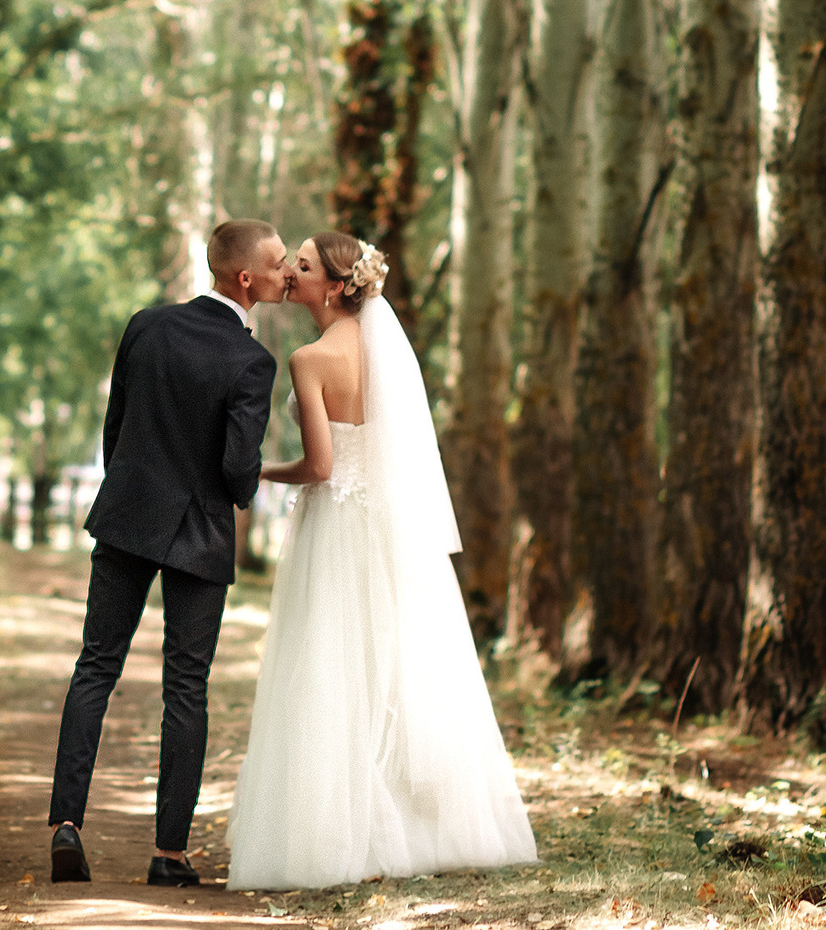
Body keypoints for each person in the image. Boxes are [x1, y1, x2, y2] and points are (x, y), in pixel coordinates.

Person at [227, 233, 536, 890]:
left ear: (336, 286)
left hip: (336, 525)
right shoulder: (384, 352)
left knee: (330, 665)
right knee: (397, 663)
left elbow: (320, 465)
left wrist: (257, 471)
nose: (290, 273)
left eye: (303, 266)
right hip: (389, 526)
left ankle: (335, 831)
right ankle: (425, 823)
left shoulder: (308, 359)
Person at [47, 218, 288, 889]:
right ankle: (169, 856)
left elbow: (115, 427)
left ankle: (68, 824)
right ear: (247, 279)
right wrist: (242, 483)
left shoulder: (145, 325)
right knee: (186, 686)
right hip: (201, 531)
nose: (287, 272)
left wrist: (126, 491)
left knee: (95, 666)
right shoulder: (251, 361)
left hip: (127, 515)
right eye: (277, 263)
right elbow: (240, 469)